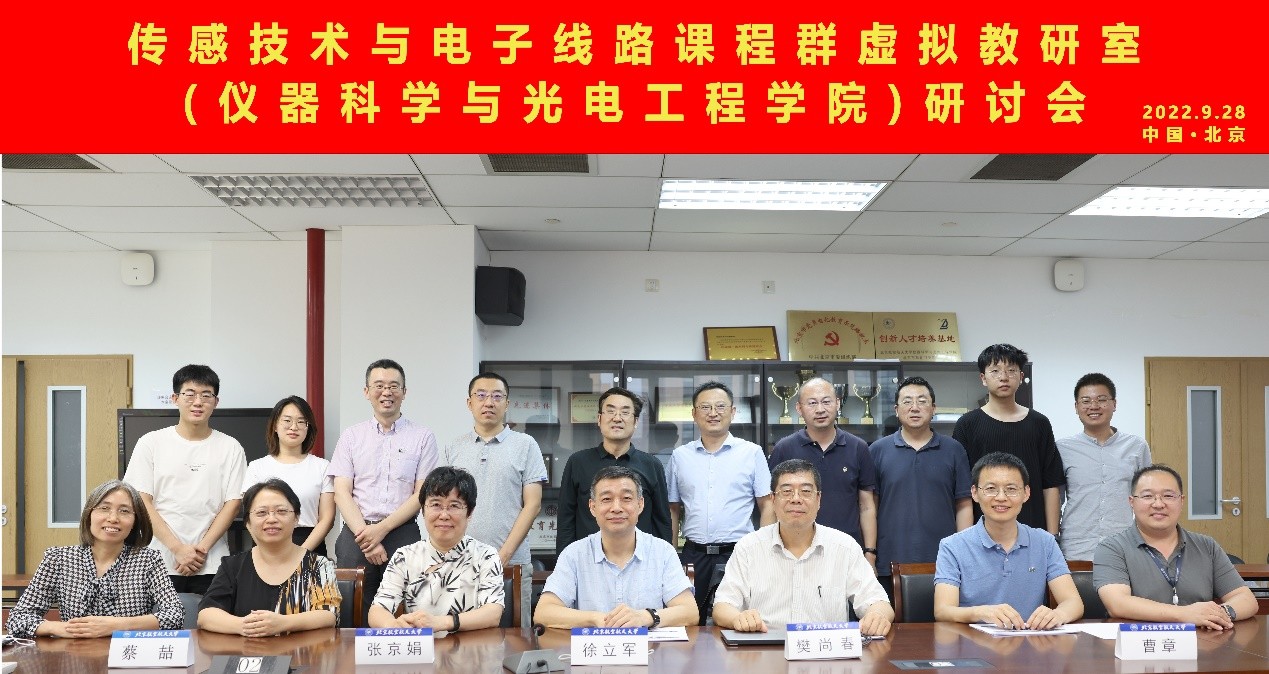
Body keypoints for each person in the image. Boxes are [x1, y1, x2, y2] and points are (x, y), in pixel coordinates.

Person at [712, 459, 893, 636]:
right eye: (787, 491)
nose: (796, 499)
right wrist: (738, 618)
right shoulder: (748, 547)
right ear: (773, 499)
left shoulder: (844, 547)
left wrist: (877, 615)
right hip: (765, 648)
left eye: (806, 491)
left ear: (818, 499)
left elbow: (879, 602)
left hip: (825, 651)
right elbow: (722, 607)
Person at [327, 358, 439, 625]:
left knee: (405, 608)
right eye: (379, 385)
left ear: (404, 392)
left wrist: (381, 530)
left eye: (393, 386)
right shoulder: (351, 436)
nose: (386, 392)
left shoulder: (423, 437)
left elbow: (422, 493)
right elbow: (341, 491)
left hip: (402, 532)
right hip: (356, 532)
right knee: (352, 610)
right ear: (366, 391)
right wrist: (367, 536)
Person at [123, 363, 247, 594]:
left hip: (211, 561)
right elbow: (140, 500)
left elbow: (233, 503)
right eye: (190, 394)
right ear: (175, 398)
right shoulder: (151, 443)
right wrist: (177, 548)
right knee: (157, 617)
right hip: (158, 559)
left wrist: (201, 550)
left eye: (206, 395)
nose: (198, 402)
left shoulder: (231, 447)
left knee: (211, 616)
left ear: (216, 402)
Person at [5, 480, 183, 638]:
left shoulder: (148, 560)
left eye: (124, 511)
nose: (113, 518)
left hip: (128, 655)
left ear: (135, 521)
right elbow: (18, 618)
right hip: (73, 656)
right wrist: (61, 628)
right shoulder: (58, 559)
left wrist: (117, 626)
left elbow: (175, 614)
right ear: (89, 514)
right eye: (104, 508)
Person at [442, 372, 547, 628]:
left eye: (497, 396)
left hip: (512, 563)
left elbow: (533, 504)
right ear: (469, 403)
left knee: (515, 638)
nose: (489, 402)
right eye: (481, 395)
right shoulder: (454, 447)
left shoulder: (526, 445)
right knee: (462, 636)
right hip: (461, 563)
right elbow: (446, 506)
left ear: (507, 403)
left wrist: (503, 555)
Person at [1093, 464, 1256, 630]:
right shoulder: (1112, 548)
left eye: (1168, 496)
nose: (1158, 504)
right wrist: (1185, 614)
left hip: (1201, 641)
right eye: (1147, 496)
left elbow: (1246, 599)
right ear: (1132, 502)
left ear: (1181, 501)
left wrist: (1220, 614)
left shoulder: (1206, 546)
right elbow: (1117, 604)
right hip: (1140, 640)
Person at [535, 466, 697, 629]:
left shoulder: (663, 552)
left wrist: (645, 617)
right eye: (606, 499)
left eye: (626, 498)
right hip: (593, 645)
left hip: (647, 645)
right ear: (592, 507)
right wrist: (596, 619)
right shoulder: (574, 554)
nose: (617, 508)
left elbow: (690, 612)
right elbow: (544, 612)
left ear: (640, 504)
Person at [934, 453, 1083, 629]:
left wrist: (1058, 614)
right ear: (974, 493)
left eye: (1011, 489)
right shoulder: (952, 546)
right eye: (991, 488)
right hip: (973, 641)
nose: (1001, 497)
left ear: (1026, 493)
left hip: (1030, 639)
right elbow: (942, 610)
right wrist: (981, 613)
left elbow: (1073, 602)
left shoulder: (1045, 542)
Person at [667, 381, 774, 624]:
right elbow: (672, 508)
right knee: (689, 620)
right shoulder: (680, 456)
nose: (713, 413)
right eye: (705, 407)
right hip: (693, 556)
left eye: (720, 406)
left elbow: (767, 505)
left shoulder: (751, 452)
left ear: (733, 412)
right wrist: (672, 555)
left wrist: (764, 552)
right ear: (694, 414)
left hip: (738, 553)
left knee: (736, 620)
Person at [869, 377, 972, 597]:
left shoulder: (954, 450)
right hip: (890, 562)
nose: (914, 407)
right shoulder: (877, 450)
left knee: (944, 618)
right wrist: (871, 554)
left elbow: (964, 505)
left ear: (933, 408)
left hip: (945, 562)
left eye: (922, 401)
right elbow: (870, 507)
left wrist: (963, 554)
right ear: (896, 410)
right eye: (907, 401)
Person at [368, 467, 505, 631]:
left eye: (454, 506)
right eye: (436, 505)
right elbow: (377, 610)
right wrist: (393, 625)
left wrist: (442, 623)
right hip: (421, 645)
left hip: (471, 644)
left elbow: (493, 613)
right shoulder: (404, 556)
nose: (444, 515)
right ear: (423, 510)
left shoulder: (486, 555)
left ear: (469, 512)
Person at [198, 479, 341, 635]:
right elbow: (206, 615)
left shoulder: (318, 565)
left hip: (302, 650)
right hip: (248, 650)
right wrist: (245, 626)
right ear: (248, 522)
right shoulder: (232, 566)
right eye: (261, 513)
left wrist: (283, 623)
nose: (272, 519)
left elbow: (329, 614)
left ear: (296, 518)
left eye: (281, 511)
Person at [952, 344, 1064, 535]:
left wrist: (1052, 537)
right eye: (995, 371)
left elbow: (1051, 484)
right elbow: (963, 489)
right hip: (983, 533)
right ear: (983, 378)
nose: (1003, 377)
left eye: (1011, 370)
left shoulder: (1039, 423)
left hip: (1033, 530)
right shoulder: (967, 424)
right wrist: (966, 540)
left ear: (1021, 376)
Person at [768, 378, 878, 558]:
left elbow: (866, 506)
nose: (820, 409)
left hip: (847, 550)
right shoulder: (784, 448)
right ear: (799, 408)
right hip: (795, 551)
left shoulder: (858, 447)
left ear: (838, 403)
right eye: (812, 403)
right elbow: (773, 503)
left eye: (826, 401)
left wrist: (870, 553)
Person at [556, 387, 672, 553]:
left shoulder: (652, 465)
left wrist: (664, 560)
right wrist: (564, 561)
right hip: (588, 559)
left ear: (635, 422)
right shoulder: (578, 462)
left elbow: (662, 522)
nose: (617, 418)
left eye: (625, 412)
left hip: (640, 559)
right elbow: (566, 520)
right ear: (599, 419)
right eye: (610, 411)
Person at [1057, 373, 1154, 560]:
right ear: (1076, 407)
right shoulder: (1062, 448)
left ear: (1114, 404)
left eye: (1101, 400)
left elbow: (1146, 497)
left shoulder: (1136, 446)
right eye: (1086, 401)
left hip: (1123, 545)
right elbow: (1055, 499)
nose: (1094, 406)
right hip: (1076, 547)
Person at [243, 396, 335, 557]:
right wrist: (269, 550)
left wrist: (300, 553)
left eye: (301, 422)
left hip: (310, 546)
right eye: (287, 420)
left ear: (308, 428)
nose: (294, 427)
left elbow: (327, 519)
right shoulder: (257, 467)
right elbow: (250, 517)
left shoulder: (322, 467)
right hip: (266, 546)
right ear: (275, 426)